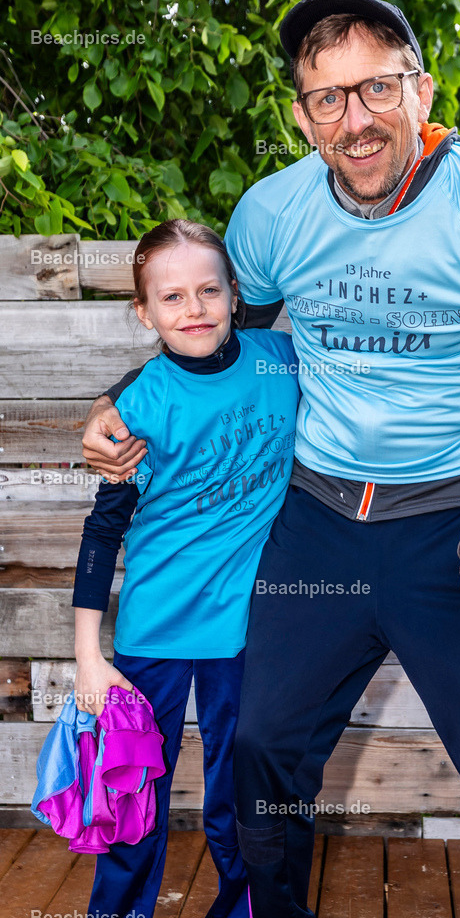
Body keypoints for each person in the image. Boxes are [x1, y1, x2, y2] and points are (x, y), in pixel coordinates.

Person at [82, 0, 460, 918]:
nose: (356, 119)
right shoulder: (270, 215)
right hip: (317, 527)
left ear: (420, 89)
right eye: (328, 99)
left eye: (376, 88)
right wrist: (123, 403)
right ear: (302, 116)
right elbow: (225, 354)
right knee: (260, 747)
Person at [73, 219, 299, 918]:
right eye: (170, 299)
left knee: (238, 805)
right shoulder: (140, 404)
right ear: (143, 313)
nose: (193, 309)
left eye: (208, 290)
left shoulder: (283, 362)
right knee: (132, 800)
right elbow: (103, 530)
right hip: (154, 635)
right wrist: (87, 654)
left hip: (246, 635)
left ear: (235, 293)